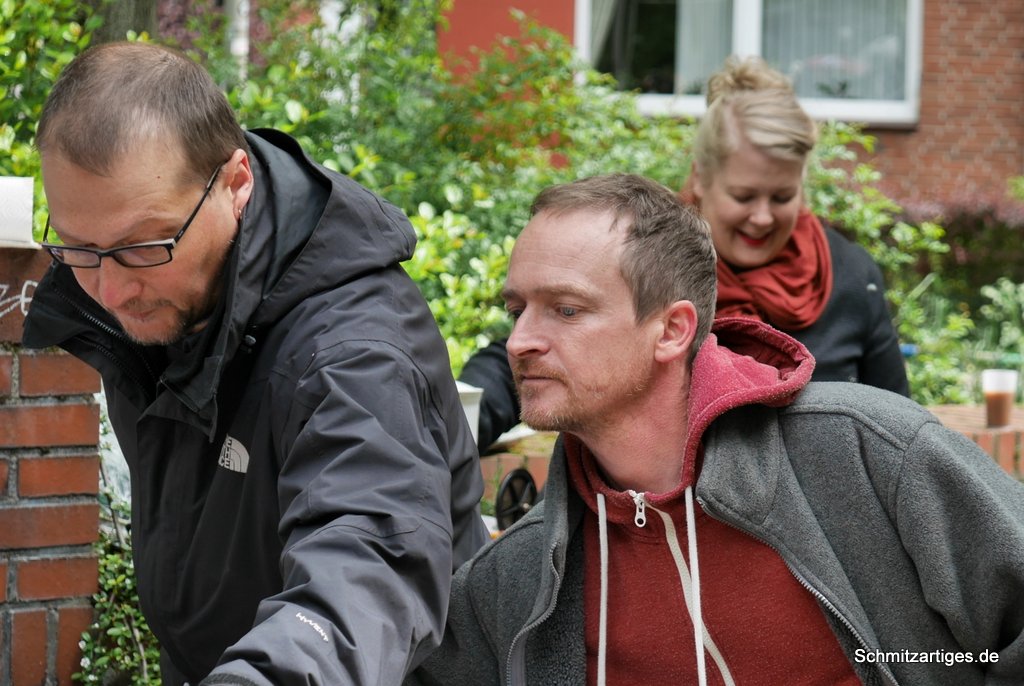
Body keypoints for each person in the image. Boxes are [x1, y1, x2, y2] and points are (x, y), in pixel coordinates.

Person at [408, 174, 1024, 685]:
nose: (520, 341)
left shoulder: (868, 452)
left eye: (566, 310)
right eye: (517, 310)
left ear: (672, 330)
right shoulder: (512, 581)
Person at [23, 42, 489, 685]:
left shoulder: (352, 355)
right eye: (79, 248)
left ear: (236, 183)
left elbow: (364, 574)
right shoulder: (159, 303)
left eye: (145, 245)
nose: (110, 290)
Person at [458, 56, 908, 453]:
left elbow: (895, 420)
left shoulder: (850, 276)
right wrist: (452, 429)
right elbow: (536, 343)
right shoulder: (646, 254)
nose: (762, 216)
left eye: (782, 197)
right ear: (700, 179)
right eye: (743, 196)